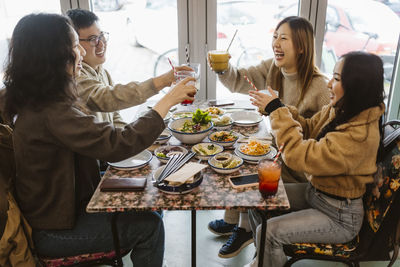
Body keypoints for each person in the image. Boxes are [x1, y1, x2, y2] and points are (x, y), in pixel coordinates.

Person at [2, 13, 196, 267]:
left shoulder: (31, 94)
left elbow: (108, 135)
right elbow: (118, 144)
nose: (81, 53)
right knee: (149, 226)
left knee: (151, 197)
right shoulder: (51, 110)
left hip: (62, 210)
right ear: (53, 54)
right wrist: (168, 100)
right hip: (54, 230)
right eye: (75, 45)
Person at [245, 51, 385, 267]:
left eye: (337, 79)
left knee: (269, 232)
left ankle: (268, 257)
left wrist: (276, 111)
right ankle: (268, 259)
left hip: (339, 216)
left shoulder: (359, 136)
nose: (329, 83)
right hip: (317, 194)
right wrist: (278, 108)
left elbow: (299, 155)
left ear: (357, 85)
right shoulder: (344, 109)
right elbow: (309, 127)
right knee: (255, 199)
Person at [207, 16, 330, 258]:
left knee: (247, 164)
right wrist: (222, 68)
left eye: (284, 38)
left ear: (302, 46)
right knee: (238, 152)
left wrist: (277, 108)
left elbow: (319, 140)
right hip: (279, 151)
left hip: (298, 166)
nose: (276, 42)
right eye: (275, 36)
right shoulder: (274, 68)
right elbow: (239, 80)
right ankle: (235, 221)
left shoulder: (321, 88)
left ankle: (243, 229)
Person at [66, 8, 191, 127]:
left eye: (101, 35)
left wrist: (129, 140)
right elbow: (108, 98)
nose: (101, 44)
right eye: (92, 39)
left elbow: (115, 116)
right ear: (75, 44)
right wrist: (163, 81)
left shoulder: (102, 71)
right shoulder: (75, 76)